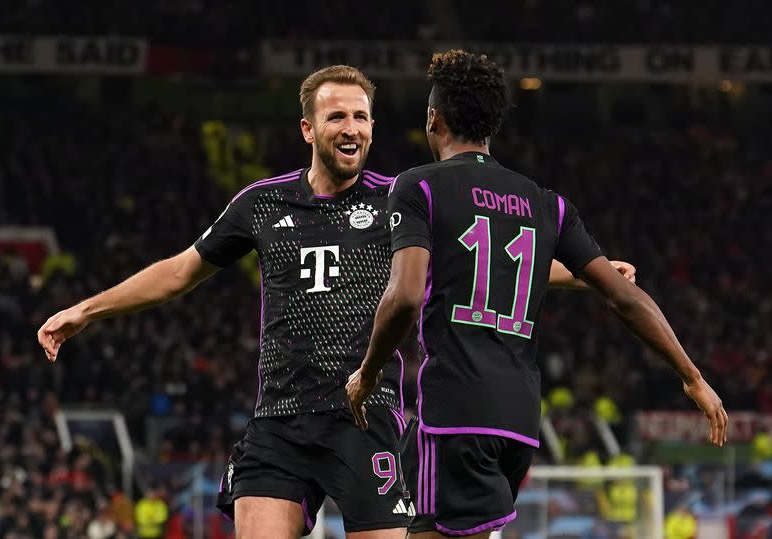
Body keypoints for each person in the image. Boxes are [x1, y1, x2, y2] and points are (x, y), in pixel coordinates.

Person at [38, 64, 633, 539]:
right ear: (308, 128)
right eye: (338, 117)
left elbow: (480, 257)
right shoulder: (262, 205)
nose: (352, 128)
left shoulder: (403, 197)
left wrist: (588, 275)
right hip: (280, 421)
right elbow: (179, 272)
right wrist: (88, 309)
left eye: (362, 117)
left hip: (366, 420)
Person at [345, 49, 728, 539]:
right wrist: (691, 375)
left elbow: (404, 295)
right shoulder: (545, 203)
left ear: (433, 120)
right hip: (519, 425)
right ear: (491, 126)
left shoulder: (419, 187)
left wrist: (368, 372)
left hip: (455, 417)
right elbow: (625, 298)